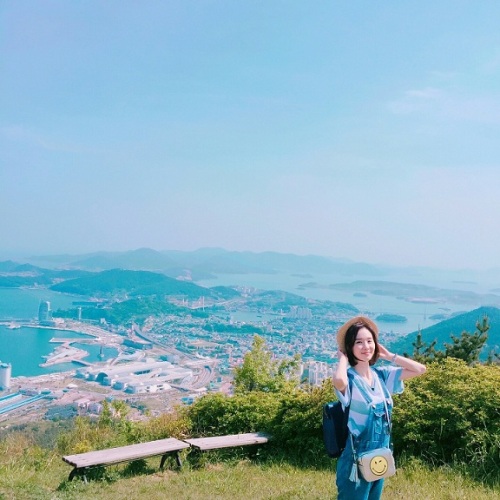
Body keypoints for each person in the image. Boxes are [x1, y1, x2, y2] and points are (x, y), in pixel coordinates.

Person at [332, 316, 426, 500]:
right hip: (355, 460)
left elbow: (420, 369)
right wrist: (342, 358)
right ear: (350, 347)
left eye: (369, 341)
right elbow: (339, 381)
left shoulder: (382, 376)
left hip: (379, 456)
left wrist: (389, 356)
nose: (366, 346)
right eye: (358, 342)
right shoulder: (350, 380)